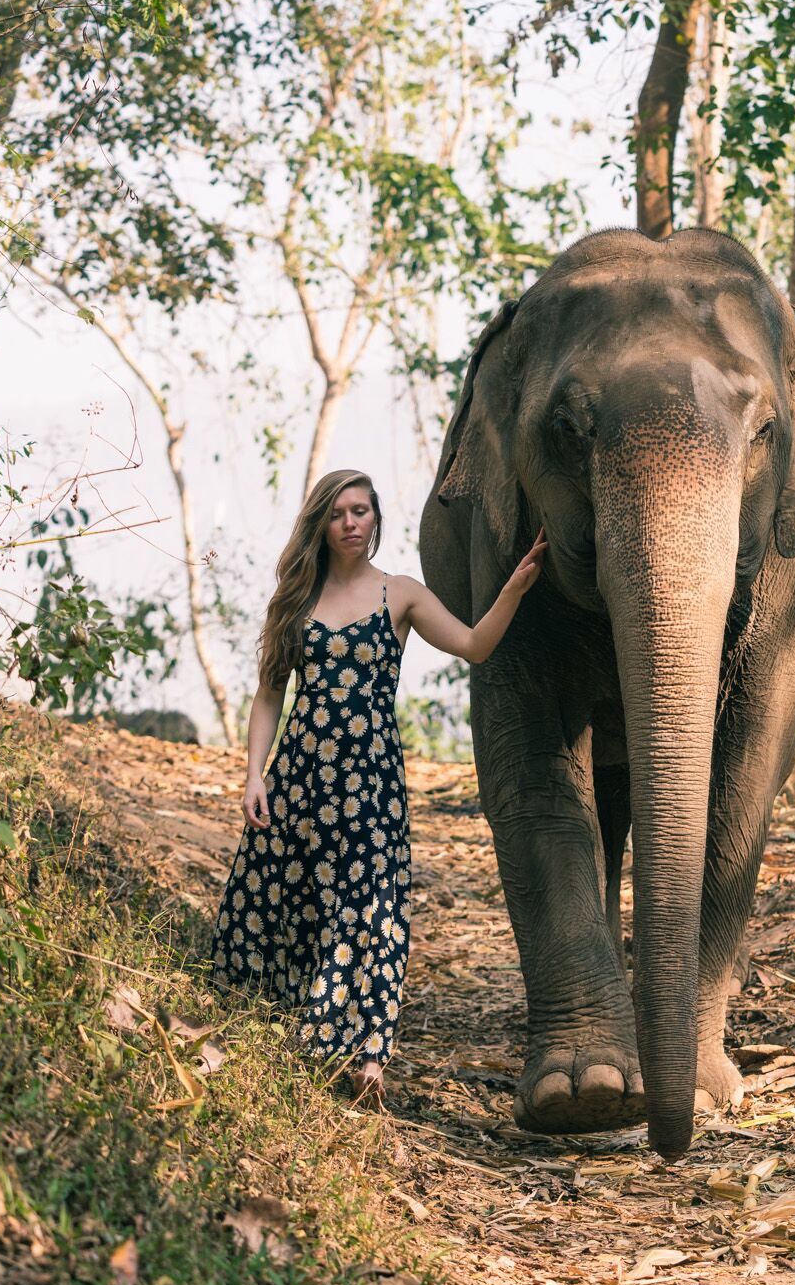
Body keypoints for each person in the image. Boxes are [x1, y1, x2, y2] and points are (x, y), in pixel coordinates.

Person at [210, 468, 544, 1103]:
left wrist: (516, 587)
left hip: (371, 785)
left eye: (361, 511)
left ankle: (366, 1055)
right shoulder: (297, 602)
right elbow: (269, 695)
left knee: (371, 910)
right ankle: (282, 1026)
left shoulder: (402, 595)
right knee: (281, 897)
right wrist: (254, 774)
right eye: (338, 514)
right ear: (322, 524)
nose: (351, 523)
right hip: (299, 782)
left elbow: (474, 646)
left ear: (375, 518)